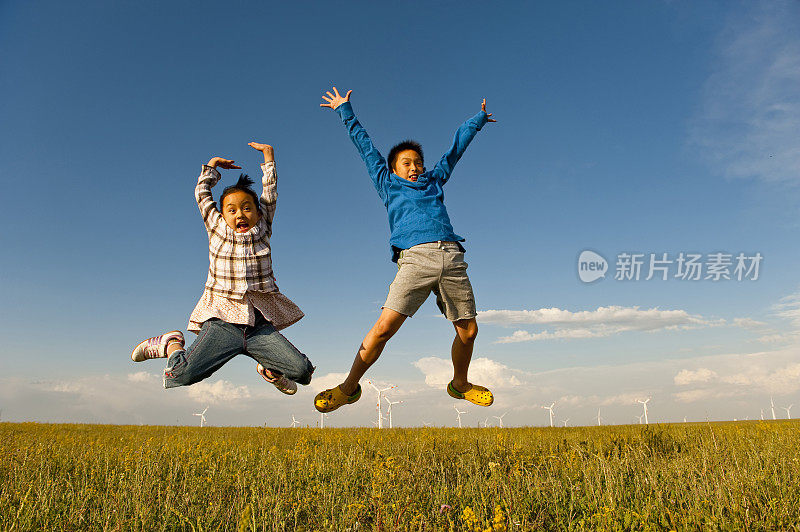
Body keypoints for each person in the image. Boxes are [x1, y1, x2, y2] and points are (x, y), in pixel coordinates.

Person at [314, 87, 496, 413]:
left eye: (418, 162)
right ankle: (348, 387)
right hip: (415, 260)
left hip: (451, 257)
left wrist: (477, 121)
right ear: (394, 169)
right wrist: (345, 111)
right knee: (383, 329)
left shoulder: (433, 182)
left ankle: (460, 383)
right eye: (407, 162)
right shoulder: (388, 183)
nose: (415, 167)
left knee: (469, 331)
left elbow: (454, 151)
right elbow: (366, 148)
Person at [130, 142, 314, 394]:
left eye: (247, 208)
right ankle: (171, 344)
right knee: (180, 375)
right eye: (232, 210)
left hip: (257, 324)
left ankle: (270, 368)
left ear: (258, 214)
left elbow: (269, 195)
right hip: (222, 324)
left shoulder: (262, 230)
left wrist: (269, 158)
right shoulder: (216, 228)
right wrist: (212, 168)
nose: (240, 214)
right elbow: (202, 195)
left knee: (303, 372)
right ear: (223, 215)